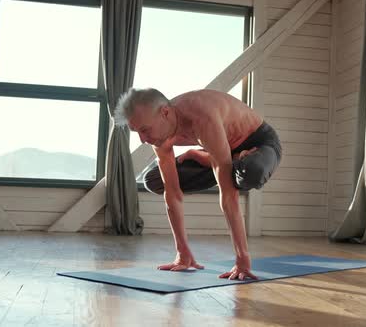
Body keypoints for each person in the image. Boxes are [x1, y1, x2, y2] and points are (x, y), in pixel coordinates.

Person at [114, 88, 282, 280]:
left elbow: (228, 195)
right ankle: (226, 158)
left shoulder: (202, 117)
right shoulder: (160, 136)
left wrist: (242, 259)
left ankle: (232, 159)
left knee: (251, 171)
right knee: (154, 180)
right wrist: (182, 252)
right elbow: (173, 193)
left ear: (165, 113)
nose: (143, 140)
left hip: (259, 145)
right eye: (136, 132)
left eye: (144, 130)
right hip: (219, 150)